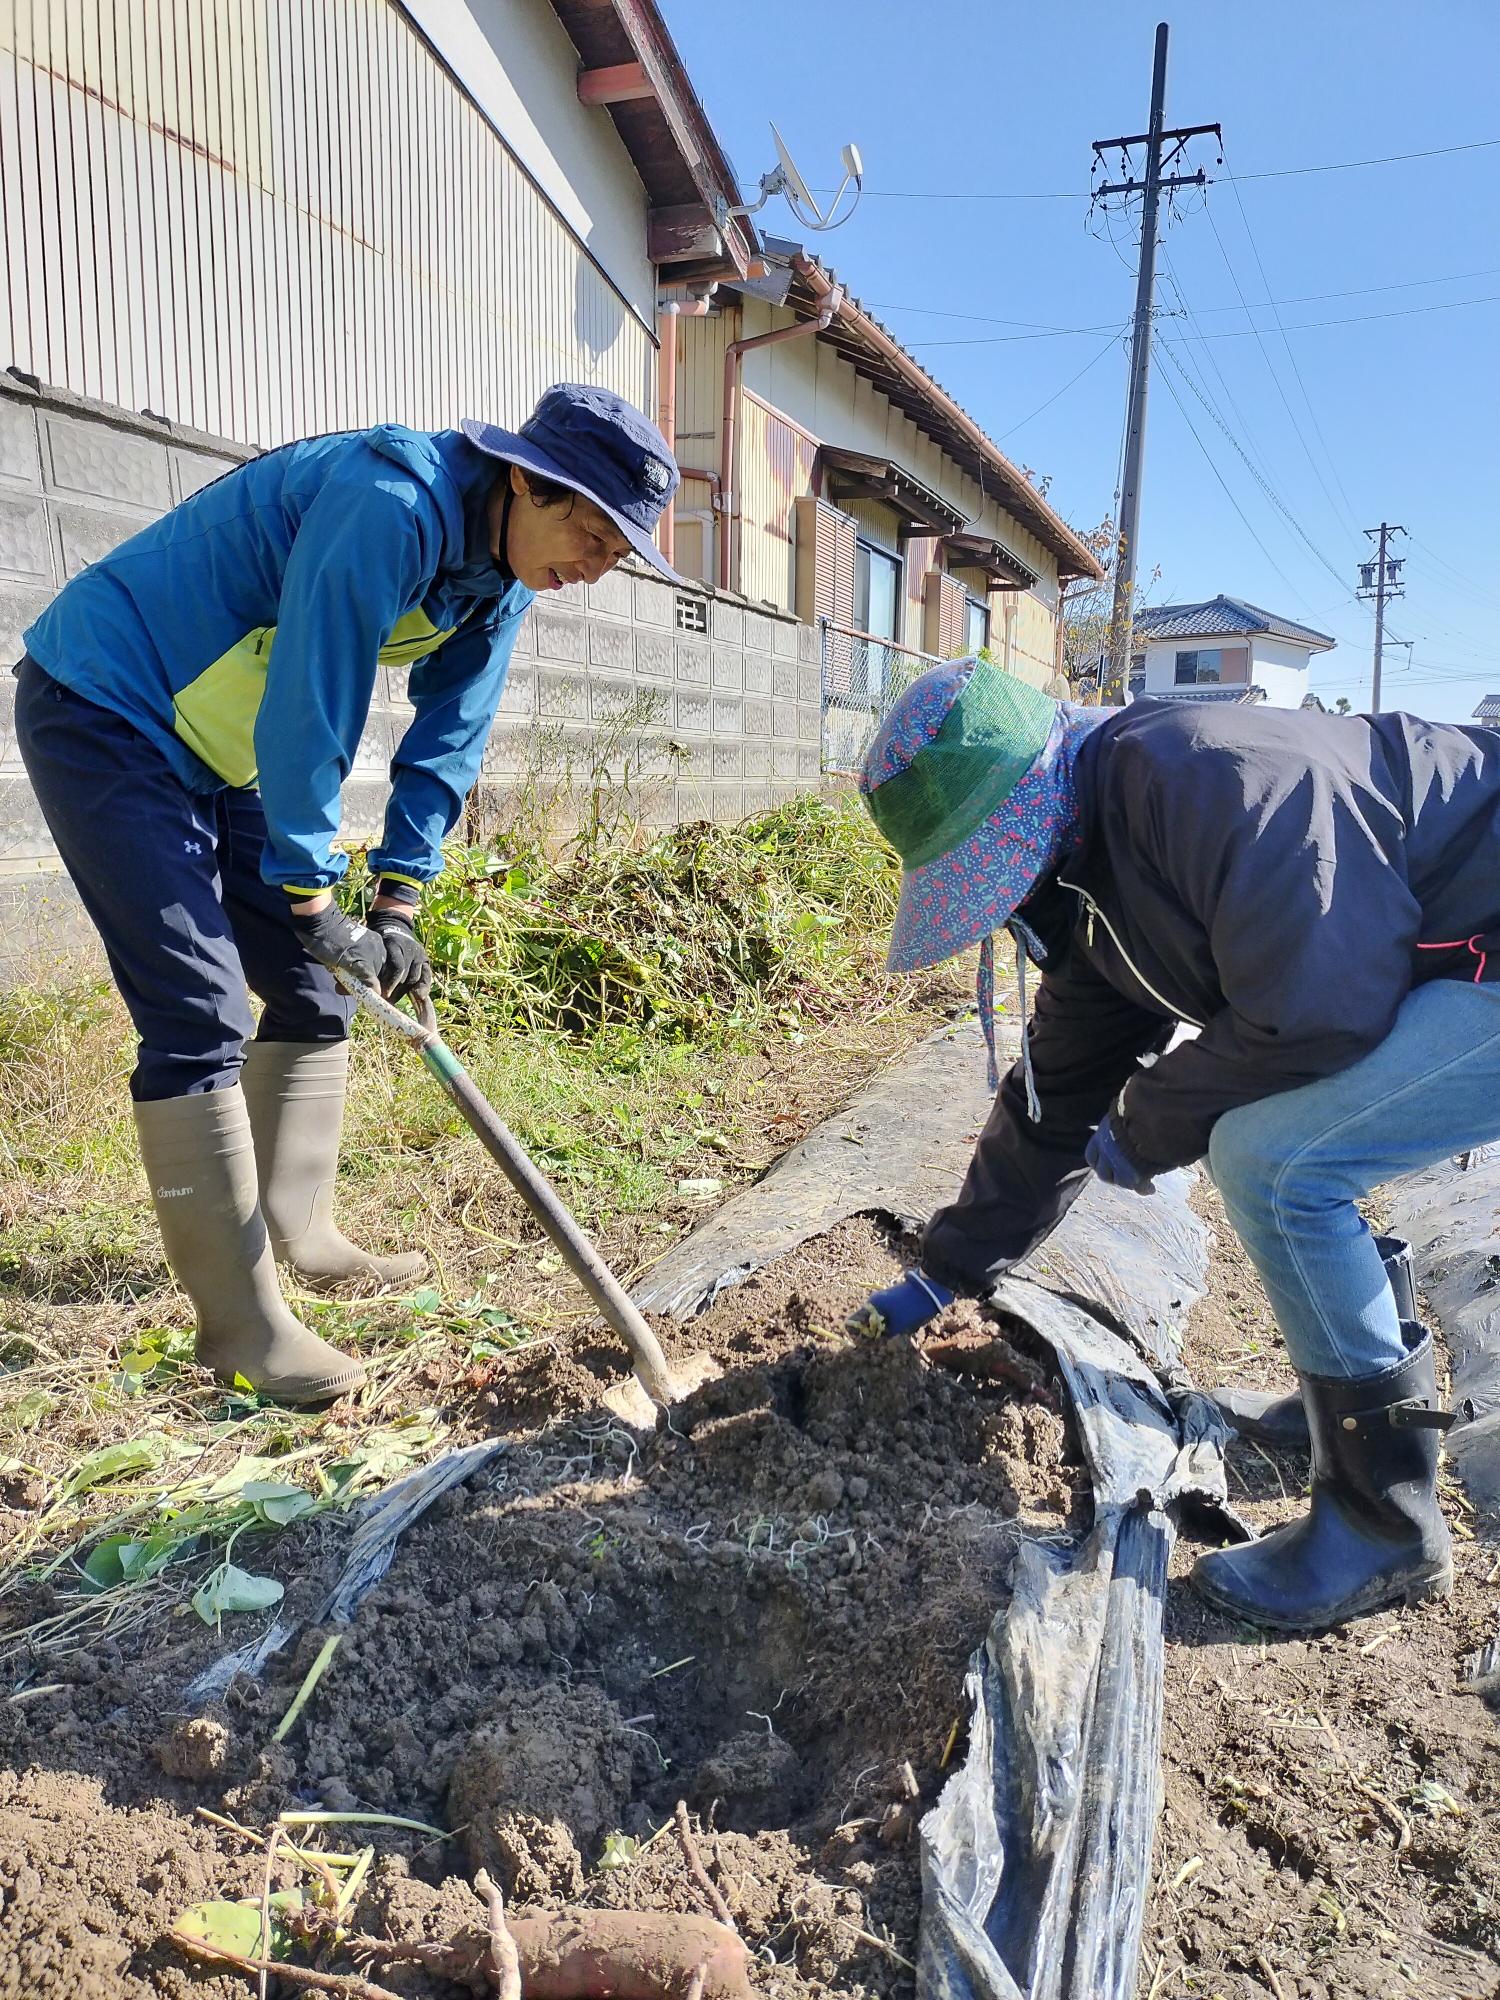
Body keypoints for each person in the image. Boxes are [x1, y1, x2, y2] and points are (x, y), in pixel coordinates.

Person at [14, 385, 679, 1405]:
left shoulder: (497, 582)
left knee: (317, 991)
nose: (593, 567)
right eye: (587, 532)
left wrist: (402, 901)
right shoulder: (391, 502)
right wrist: (315, 894)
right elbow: (312, 697)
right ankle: (241, 1328)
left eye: (616, 552)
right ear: (522, 480)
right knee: (200, 1011)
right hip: (107, 702)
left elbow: (448, 743)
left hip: (218, 748)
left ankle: (305, 1229)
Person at [847, 655, 1500, 1632]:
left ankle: (1385, 1521)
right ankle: (1346, 1407)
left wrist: (1145, 1123)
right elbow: (1052, 1100)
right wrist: (948, 1269)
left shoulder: (1205, 779)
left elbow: (1321, 1011)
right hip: (1431, 956)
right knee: (1301, 1130)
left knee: (1275, 1158)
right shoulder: (1095, 882)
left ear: (1036, 800)